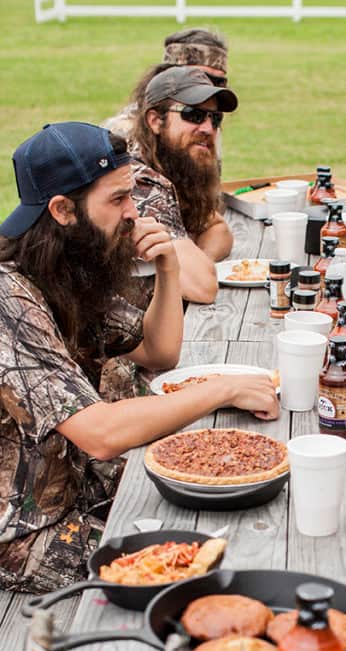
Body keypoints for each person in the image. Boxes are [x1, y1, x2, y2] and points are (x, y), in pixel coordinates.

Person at [0, 122, 278, 594]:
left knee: (235, 517)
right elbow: (102, 435)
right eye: (117, 200)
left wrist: (168, 266)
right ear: (63, 210)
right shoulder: (9, 293)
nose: (133, 213)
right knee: (209, 569)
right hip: (27, 533)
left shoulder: (69, 262)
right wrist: (221, 388)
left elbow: (159, 352)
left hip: (85, 490)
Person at [127, 66, 238, 307]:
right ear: (156, 121)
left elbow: (219, 229)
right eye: (193, 115)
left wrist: (197, 258)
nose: (208, 128)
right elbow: (202, 287)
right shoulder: (138, 182)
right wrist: (189, 264)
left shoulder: (175, 166)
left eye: (215, 118)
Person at [104, 27, 230, 143]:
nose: (209, 88)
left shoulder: (207, 125)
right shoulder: (122, 134)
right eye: (199, 77)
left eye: (219, 83)